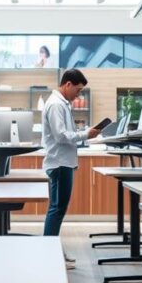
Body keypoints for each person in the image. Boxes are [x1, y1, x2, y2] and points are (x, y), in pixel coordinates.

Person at [42, 69, 101, 269]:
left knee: (58, 209)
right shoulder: (56, 104)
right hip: (59, 163)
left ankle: (52, 251)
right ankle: (49, 255)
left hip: (63, 162)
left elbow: (65, 133)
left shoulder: (61, 104)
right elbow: (60, 136)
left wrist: (84, 133)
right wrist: (85, 135)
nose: (79, 94)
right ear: (68, 84)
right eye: (78, 89)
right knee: (57, 209)